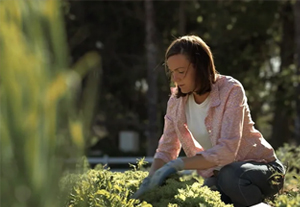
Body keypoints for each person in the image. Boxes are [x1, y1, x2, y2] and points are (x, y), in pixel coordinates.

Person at [132, 35, 285, 207]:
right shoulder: (176, 102)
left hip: (264, 170)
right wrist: (150, 181)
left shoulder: (231, 90)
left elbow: (227, 151)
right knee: (209, 192)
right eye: (172, 72)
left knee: (230, 177)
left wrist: (179, 164)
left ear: (201, 67)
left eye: (181, 72)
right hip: (221, 176)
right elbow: (166, 149)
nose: (176, 78)